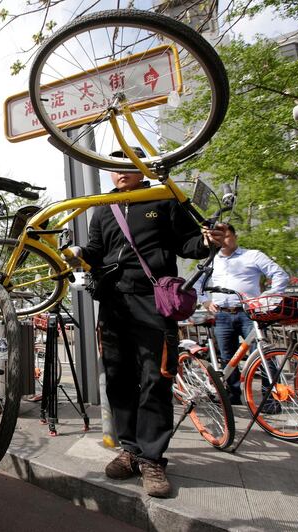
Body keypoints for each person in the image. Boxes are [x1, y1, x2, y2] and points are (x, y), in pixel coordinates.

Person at [75, 147, 225, 498]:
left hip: (153, 301)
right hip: (113, 303)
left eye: (128, 166)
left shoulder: (164, 198)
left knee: (156, 378)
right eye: (114, 168)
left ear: (141, 169)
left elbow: (188, 242)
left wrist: (207, 241)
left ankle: (152, 458)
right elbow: (96, 250)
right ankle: (129, 450)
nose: (121, 172)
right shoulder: (102, 208)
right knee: (118, 378)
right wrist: (79, 253)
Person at [198, 224, 289, 407]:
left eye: (226, 236)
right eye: (217, 237)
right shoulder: (211, 260)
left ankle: (270, 399)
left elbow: (280, 275)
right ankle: (232, 397)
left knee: (263, 355)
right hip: (222, 315)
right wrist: (205, 301)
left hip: (250, 313)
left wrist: (266, 297)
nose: (222, 241)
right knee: (227, 358)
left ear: (235, 236)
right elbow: (196, 284)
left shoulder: (252, 255)